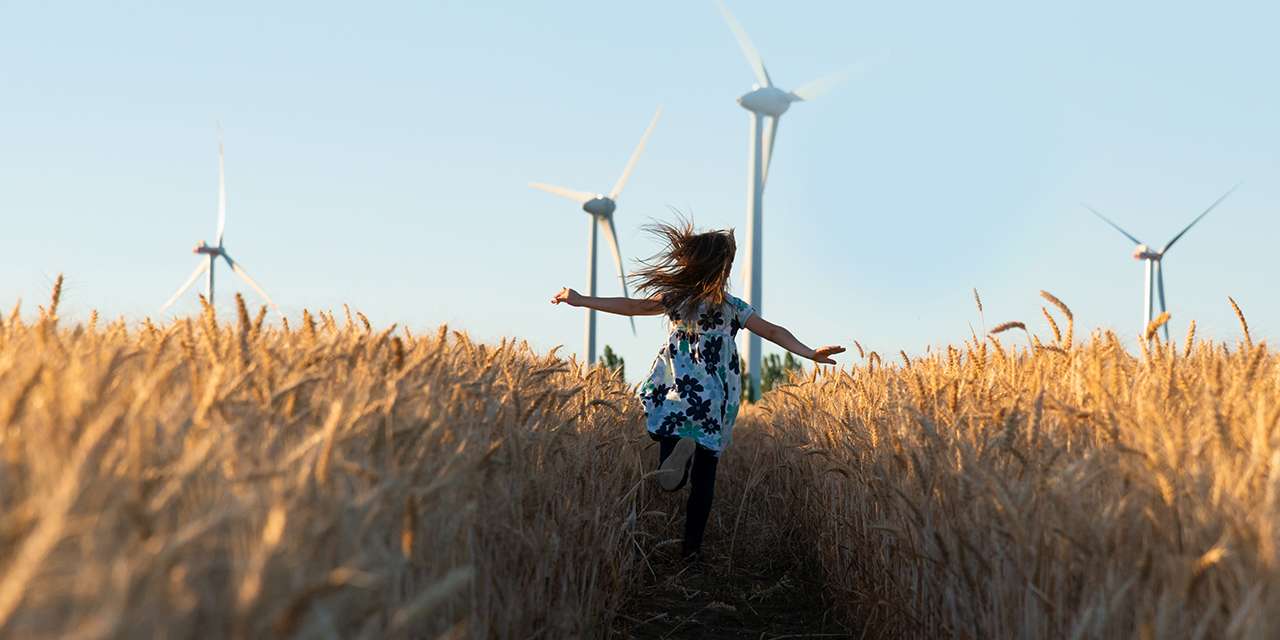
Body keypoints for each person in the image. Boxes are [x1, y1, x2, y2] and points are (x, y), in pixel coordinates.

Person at [550, 220, 843, 559]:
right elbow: (774, 331)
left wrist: (582, 299)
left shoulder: (677, 299)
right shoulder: (733, 306)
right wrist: (809, 353)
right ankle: (691, 550)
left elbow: (633, 306)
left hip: (678, 385)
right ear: (724, 268)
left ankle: (673, 464)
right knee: (707, 474)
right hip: (714, 395)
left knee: (666, 434)